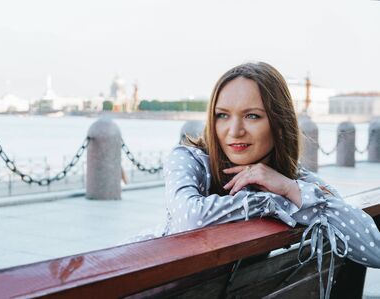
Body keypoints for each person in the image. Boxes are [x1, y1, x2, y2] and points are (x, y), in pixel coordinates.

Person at [159, 62, 380, 299]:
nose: (234, 131)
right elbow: (191, 218)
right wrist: (276, 200)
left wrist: (289, 187)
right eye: (222, 115)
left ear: (279, 124)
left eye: (252, 116)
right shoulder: (189, 159)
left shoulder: (292, 179)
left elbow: (375, 250)